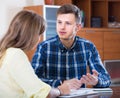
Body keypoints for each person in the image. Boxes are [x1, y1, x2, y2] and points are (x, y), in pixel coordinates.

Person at [32, 4, 111, 90]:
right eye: (59, 22)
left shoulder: (88, 47)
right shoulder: (44, 47)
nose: (62, 27)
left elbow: (106, 79)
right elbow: (33, 80)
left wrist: (96, 81)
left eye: (68, 23)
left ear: (78, 27)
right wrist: (61, 83)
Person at [0, 10, 71, 98]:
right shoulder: (16, 54)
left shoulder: (5, 52)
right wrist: (61, 90)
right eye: (39, 34)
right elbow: (41, 93)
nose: (39, 39)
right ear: (30, 34)